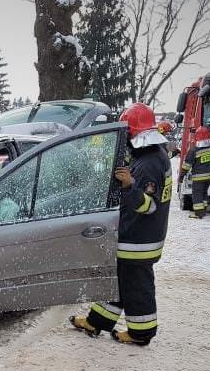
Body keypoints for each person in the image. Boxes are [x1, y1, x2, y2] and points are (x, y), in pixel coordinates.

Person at [70, 102, 172, 346]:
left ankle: (141, 333)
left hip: (139, 241)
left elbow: (149, 206)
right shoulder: (151, 155)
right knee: (117, 283)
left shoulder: (149, 163)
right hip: (137, 237)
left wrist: (128, 186)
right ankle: (97, 322)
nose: (125, 139)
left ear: (135, 133)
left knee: (137, 289)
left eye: (127, 133)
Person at [179, 126, 210, 219]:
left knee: (197, 194)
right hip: (209, 175)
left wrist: (181, 176)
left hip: (198, 177)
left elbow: (186, 165)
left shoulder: (193, 150)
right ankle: (203, 210)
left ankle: (198, 213)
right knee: (204, 193)